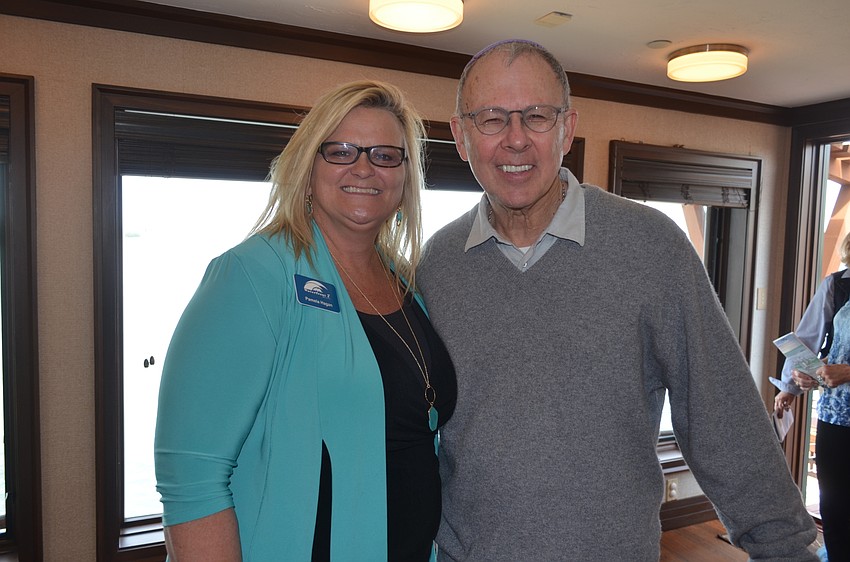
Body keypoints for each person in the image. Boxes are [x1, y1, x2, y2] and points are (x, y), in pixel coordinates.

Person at [417, 39, 817, 561]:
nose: (515, 140)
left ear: (566, 127)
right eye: (491, 119)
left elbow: (722, 415)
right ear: (461, 136)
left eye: (536, 116)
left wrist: (784, 548)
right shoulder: (436, 265)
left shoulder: (652, 247)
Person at [154, 80, 457, 561]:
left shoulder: (406, 282)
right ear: (307, 166)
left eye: (384, 155)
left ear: (404, 177)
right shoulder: (253, 274)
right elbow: (192, 478)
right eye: (339, 151)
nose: (363, 167)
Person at [774, 232, 850, 562]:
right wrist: (791, 385)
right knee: (835, 505)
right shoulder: (836, 286)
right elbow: (805, 339)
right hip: (835, 418)